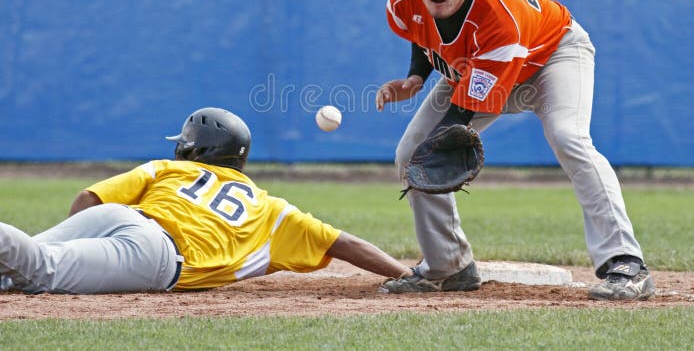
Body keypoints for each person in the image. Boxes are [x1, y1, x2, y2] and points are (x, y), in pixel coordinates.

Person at [376, 0, 655, 301]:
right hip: (475, 65)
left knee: (567, 137)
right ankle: (448, 266)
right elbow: (423, 33)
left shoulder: (497, 16)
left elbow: (460, 115)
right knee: (410, 152)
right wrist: (413, 78)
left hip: (552, 57)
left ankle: (626, 263)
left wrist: (441, 142)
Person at [0, 107, 412, 294]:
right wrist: (406, 275)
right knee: (43, 272)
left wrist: (83, 242)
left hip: (116, 214)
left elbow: (87, 198)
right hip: (154, 253)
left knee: (25, 265)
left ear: (193, 151)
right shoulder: (272, 209)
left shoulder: (167, 167)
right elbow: (348, 244)